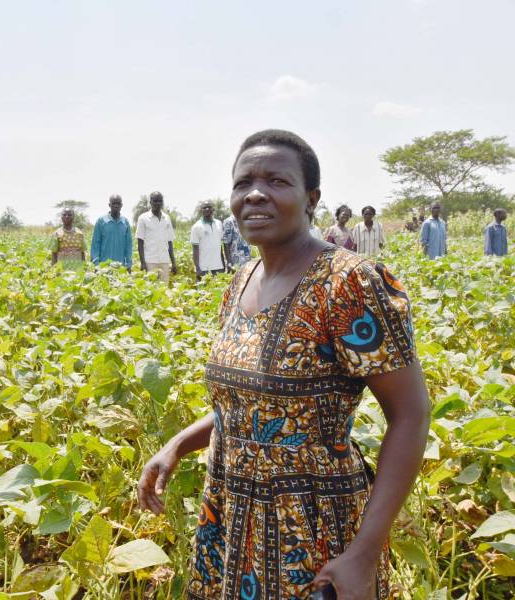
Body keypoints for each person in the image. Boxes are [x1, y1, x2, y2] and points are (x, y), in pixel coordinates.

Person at [137, 129, 430, 600]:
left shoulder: (349, 282)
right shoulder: (240, 281)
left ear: (311, 198)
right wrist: (177, 444)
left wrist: (364, 553)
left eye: (277, 180)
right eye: (243, 182)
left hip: (311, 523)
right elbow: (252, 405)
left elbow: (411, 414)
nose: (255, 193)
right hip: (230, 512)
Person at [136, 191, 177, 282]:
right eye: (155, 201)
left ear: (162, 202)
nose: (158, 203)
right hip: (150, 261)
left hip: (164, 261)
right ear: (150, 202)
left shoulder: (167, 218)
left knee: (163, 290)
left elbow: (170, 242)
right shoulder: (143, 218)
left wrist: (173, 262)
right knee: (151, 290)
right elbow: (140, 242)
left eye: (160, 201)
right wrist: (143, 263)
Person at [90, 194, 133, 271]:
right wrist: (96, 264)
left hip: (121, 266)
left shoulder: (125, 222)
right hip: (104, 267)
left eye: (118, 203)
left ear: (121, 205)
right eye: (114, 203)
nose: (116, 206)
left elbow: (128, 245)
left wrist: (128, 263)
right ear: (109, 205)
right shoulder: (101, 221)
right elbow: (95, 243)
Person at [191, 200, 225, 280]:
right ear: (201, 210)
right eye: (204, 208)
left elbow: (219, 245)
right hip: (204, 268)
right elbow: (195, 249)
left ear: (213, 209)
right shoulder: (197, 227)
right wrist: (197, 268)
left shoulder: (219, 223)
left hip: (218, 266)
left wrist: (223, 264)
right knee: (203, 291)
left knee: (220, 291)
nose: (207, 209)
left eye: (209, 207)